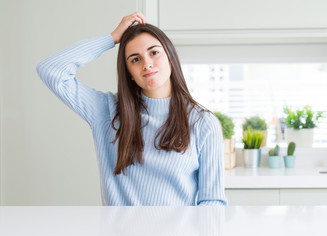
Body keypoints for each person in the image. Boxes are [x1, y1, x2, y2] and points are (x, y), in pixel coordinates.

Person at [36, 12, 227, 206]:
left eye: (154, 52)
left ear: (170, 56)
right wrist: (112, 38)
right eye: (135, 59)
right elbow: (51, 70)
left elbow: (212, 202)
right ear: (129, 74)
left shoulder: (203, 123)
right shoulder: (106, 111)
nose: (147, 64)